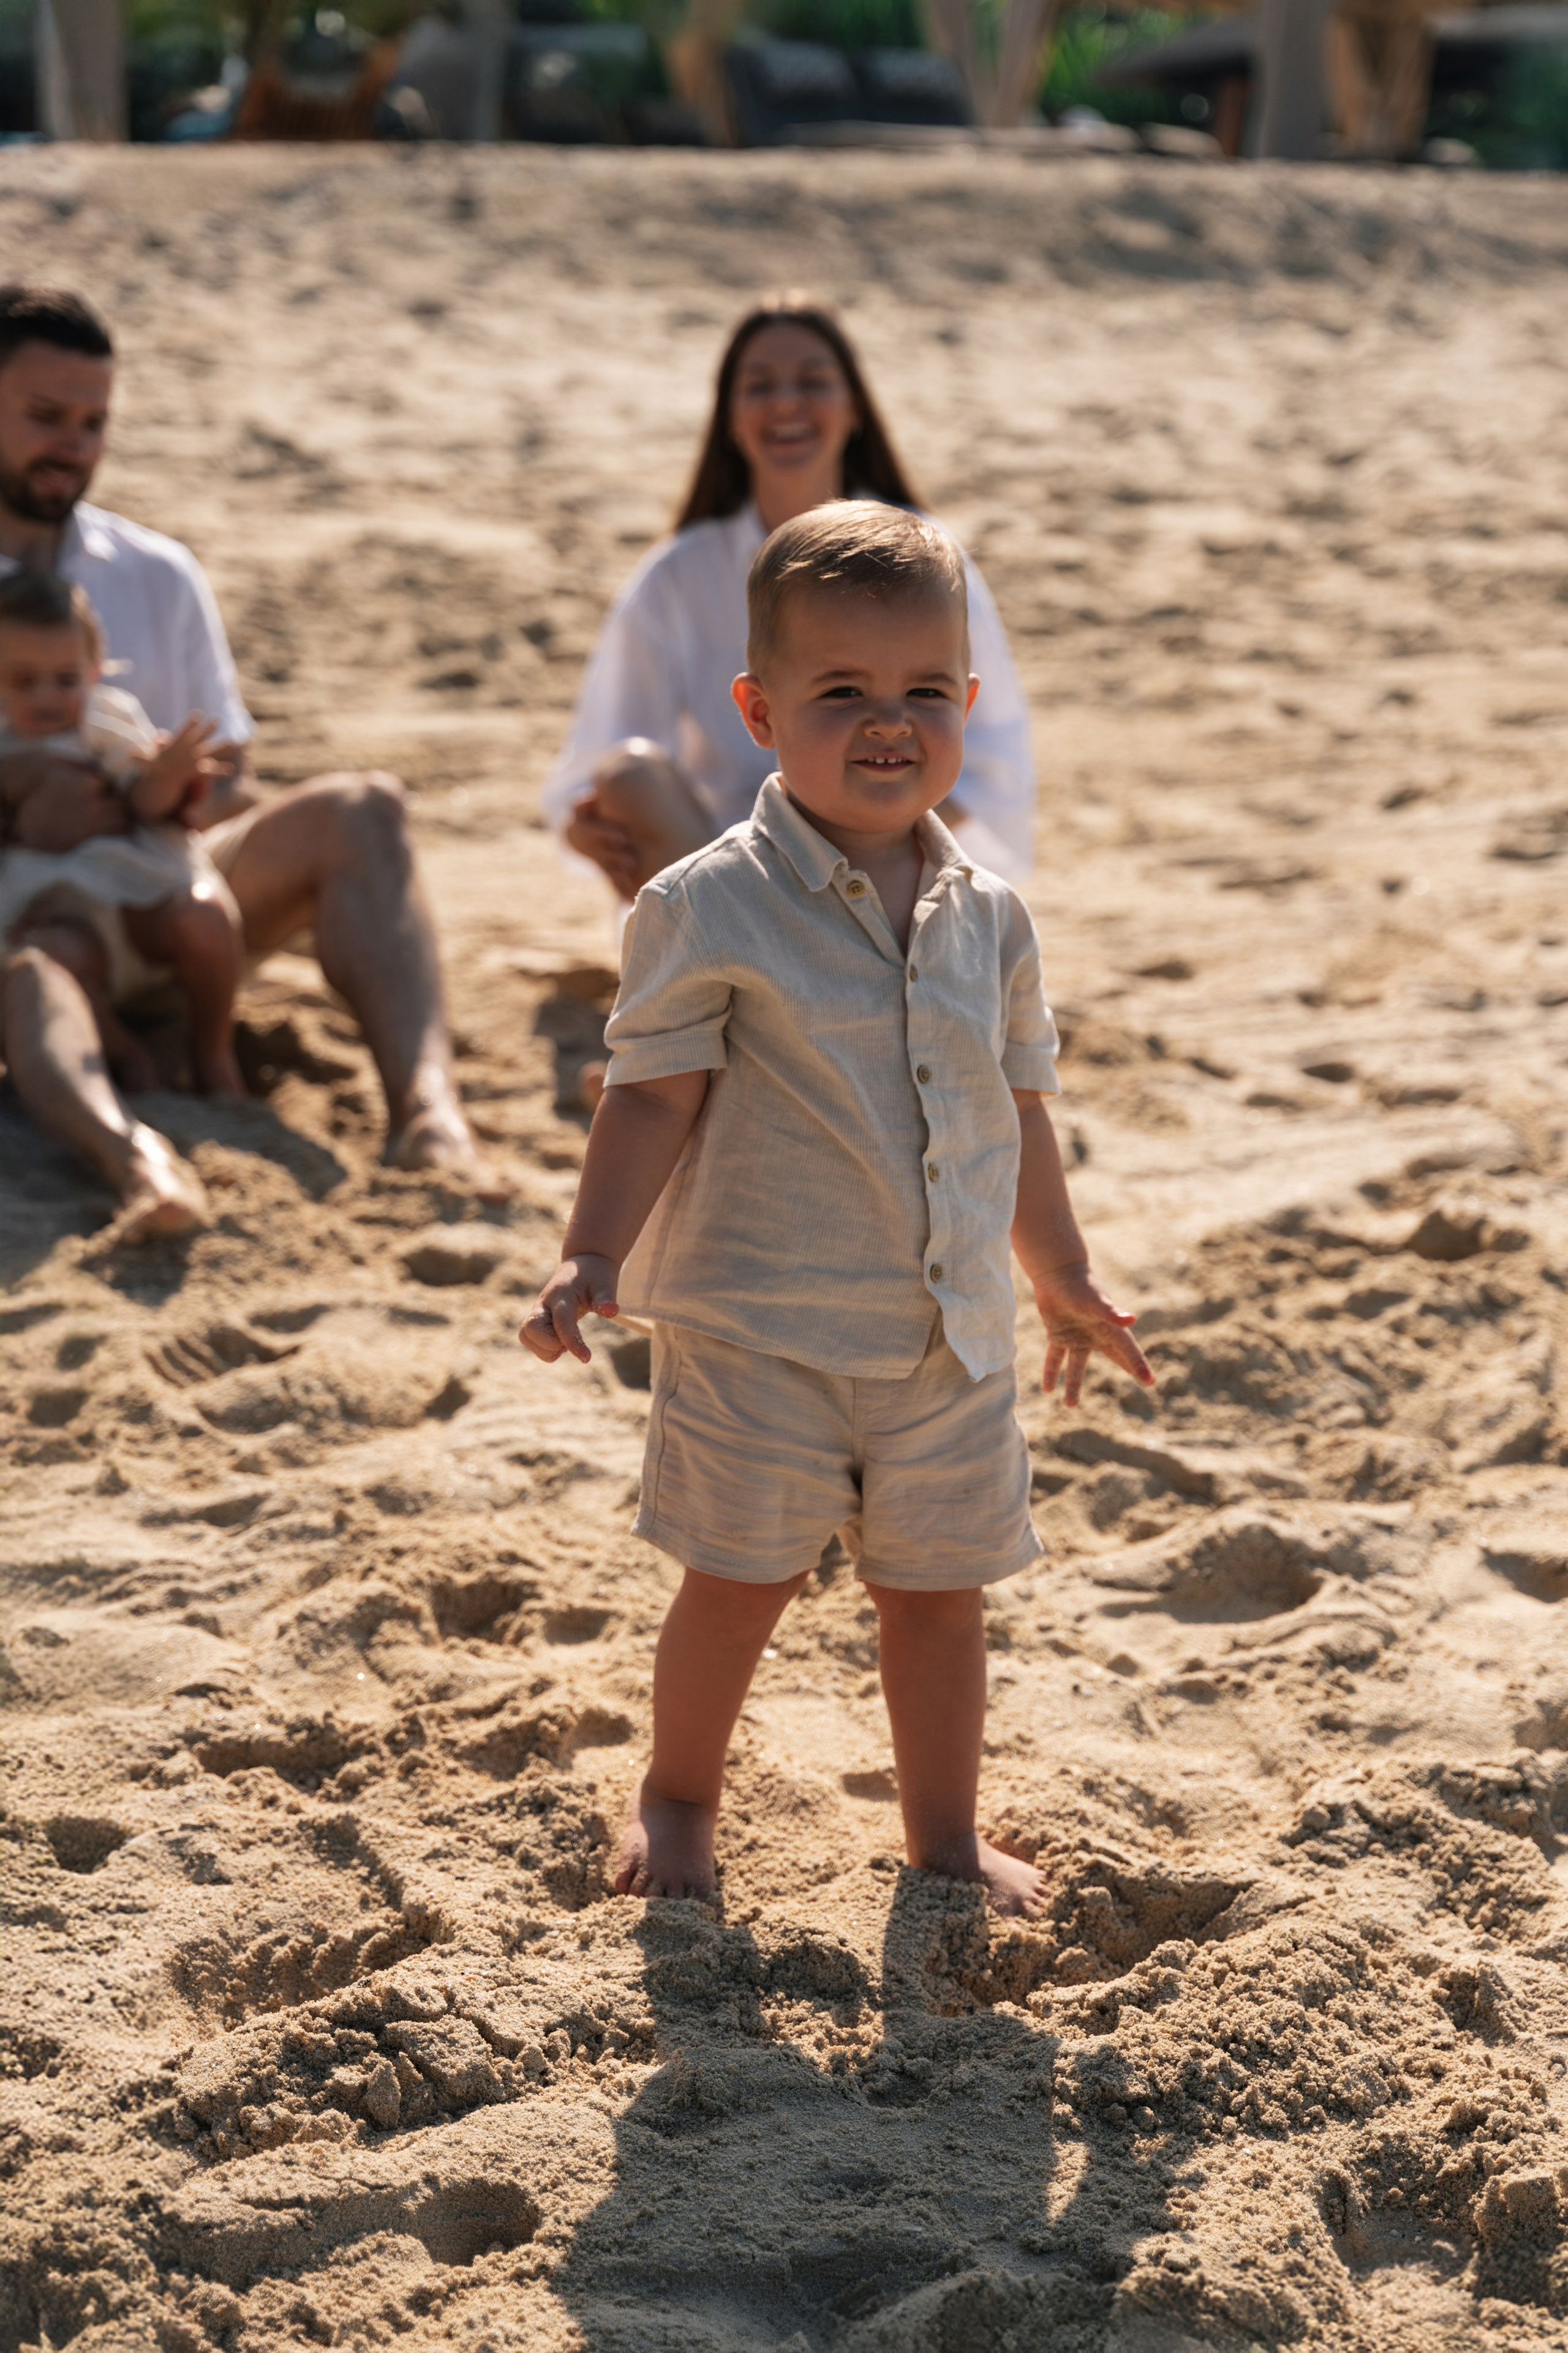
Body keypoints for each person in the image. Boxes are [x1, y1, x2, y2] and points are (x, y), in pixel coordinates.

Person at [522, 505, 1153, 1914]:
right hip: (760, 1333)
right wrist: (591, 1251)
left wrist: (1059, 1274)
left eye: (924, 690)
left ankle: (940, 1835)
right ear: (757, 709)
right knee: (736, 1581)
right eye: (841, 692)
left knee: (937, 1598)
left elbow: (1017, 1110)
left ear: (966, 704)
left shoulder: (990, 913)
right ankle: (677, 1793)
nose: (889, 721)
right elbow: (648, 1094)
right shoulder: (705, 905)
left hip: (945, 1338)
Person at [0, 282, 496, 1242]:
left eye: (95, 422)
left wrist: (163, 793)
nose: (75, 445)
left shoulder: (155, 572)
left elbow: (234, 780)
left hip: (159, 897)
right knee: (36, 965)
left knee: (364, 807)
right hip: (23, 938)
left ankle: (431, 1117)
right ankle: (136, 1164)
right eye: (46, 417)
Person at [545, 296, 1036, 906]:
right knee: (629, 774)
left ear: (853, 406)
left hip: (888, 865)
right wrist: (586, 827)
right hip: (726, 882)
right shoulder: (678, 575)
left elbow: (997, 769)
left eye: (812, 381)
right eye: (758, 386)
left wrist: (857, 847)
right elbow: (597, 763)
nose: (785, 402)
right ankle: (745, 968)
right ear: (730, 417)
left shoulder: (927, 561)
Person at [0, 570, 244, 1099]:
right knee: (50, 957)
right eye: (23, 681)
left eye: (65, 679)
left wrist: (168, 775)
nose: (47, 697)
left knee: (206, 918)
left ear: (94, 670)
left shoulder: (105, 719)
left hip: (139, 895)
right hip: (51, 908)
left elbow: (142, 801)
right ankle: (126, 1056)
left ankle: (213, 1051)